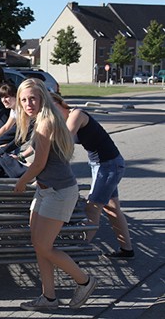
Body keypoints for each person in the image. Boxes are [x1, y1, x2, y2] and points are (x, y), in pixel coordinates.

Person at [13, 79, 96, 311]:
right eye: (23, 100)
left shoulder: (45, 122)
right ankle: (48, 297)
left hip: (59, 192)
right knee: (39, 245)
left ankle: (84, 281)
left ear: (41, 98)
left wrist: (21, 182)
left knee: (44, 246)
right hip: (45, 189)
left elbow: (38, 164)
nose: (28, 103)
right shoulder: (40, 119)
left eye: (32, 98)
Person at [51, 93, 133, 258]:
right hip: (103, 165)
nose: (52, 111)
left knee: (92, 209)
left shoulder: (76, 114)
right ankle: (127, 250)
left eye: (54, 106)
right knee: (112, 209)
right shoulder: (63, 120)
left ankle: (76, 254)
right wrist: (25, 154)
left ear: (60, 103)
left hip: (108, 165)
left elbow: (64, 140)